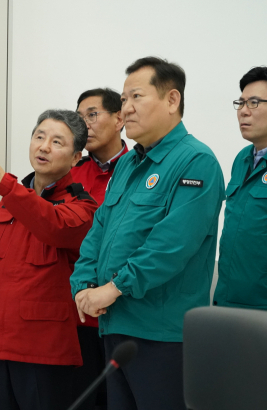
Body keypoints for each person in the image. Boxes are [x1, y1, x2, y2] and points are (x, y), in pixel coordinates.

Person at [70, 57, 225, 410]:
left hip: (160, 334)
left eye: (136, 97)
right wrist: (81, 285)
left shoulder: (196, 161)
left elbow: (170, 246)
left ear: (172, 100)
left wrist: (111, 289)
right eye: (123, 100)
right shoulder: (127, 163)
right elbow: (99, 230)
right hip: (115, 328)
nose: (126, 109)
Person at [0, 110, 98, 410]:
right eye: (39, 137)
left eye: (57, 142)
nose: (43, 146)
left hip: (43, 349)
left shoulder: (82, 207)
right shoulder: (11, 200)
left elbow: (51, 225)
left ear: (76, 157)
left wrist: (6, 184)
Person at [71, 87, 129, 409]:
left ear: (120, 118)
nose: (84, 126)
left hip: (123, 309)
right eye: (78, 118)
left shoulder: (138, 170)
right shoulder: (71, 173)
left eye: (92, 115)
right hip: (78, 313)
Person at [214, 66, 267, 309]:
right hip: (229, 299)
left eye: (254, 103)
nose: (243, 112)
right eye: (241, 102)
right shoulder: (242, 158)